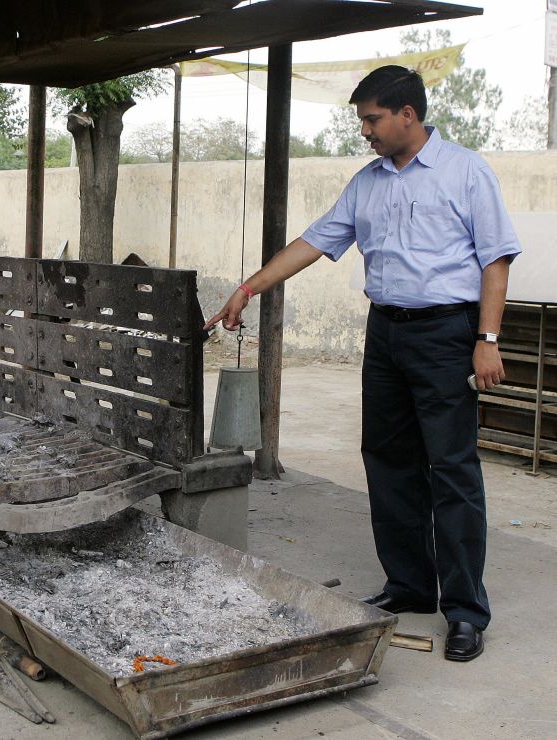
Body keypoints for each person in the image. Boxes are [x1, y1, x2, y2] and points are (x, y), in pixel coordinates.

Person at [205, 65, 520, 662]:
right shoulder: (367, 182)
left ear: (408, 114)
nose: (366, 132)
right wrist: (249, 288)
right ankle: (409, 585)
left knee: (451, 469)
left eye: (372, 119)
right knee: (388, 459)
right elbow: (314, 241)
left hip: (447, 333)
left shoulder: (465, 171)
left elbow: (495, 260)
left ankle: (465, 611)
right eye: (362, 121)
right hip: (387, 334)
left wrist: (487, 337)